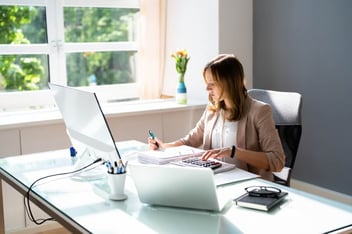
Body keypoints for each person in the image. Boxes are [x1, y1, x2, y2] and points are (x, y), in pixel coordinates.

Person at [148, 54, 285, 181]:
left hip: (247, 185)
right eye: (206, 83)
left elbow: (277, 161)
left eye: (212, 83)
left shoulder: (259, 111)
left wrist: (233, 152)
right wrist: (164, 146)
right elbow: (190, 141)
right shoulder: (212, 109)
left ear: (229, 83)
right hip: (215, 181)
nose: (207, 88)